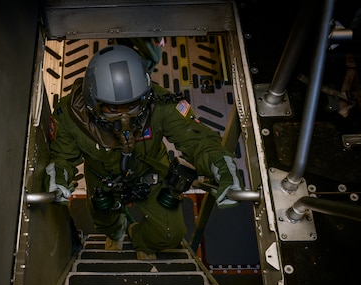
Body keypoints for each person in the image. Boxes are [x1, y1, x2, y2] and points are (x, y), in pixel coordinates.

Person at [45, 44, 242, 260]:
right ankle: (117, 231)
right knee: (103, 219)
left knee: (170, 234)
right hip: (102, 180)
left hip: (150, 174)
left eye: (132, 106)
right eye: (113, 109)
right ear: (93, 102)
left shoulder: (163, 103)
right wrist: (59, 179)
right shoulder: (69, 115)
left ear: (145, 95)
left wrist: (221, 166)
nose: (124, 117)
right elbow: (63, 157)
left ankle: (138, 237)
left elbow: (198, 141)